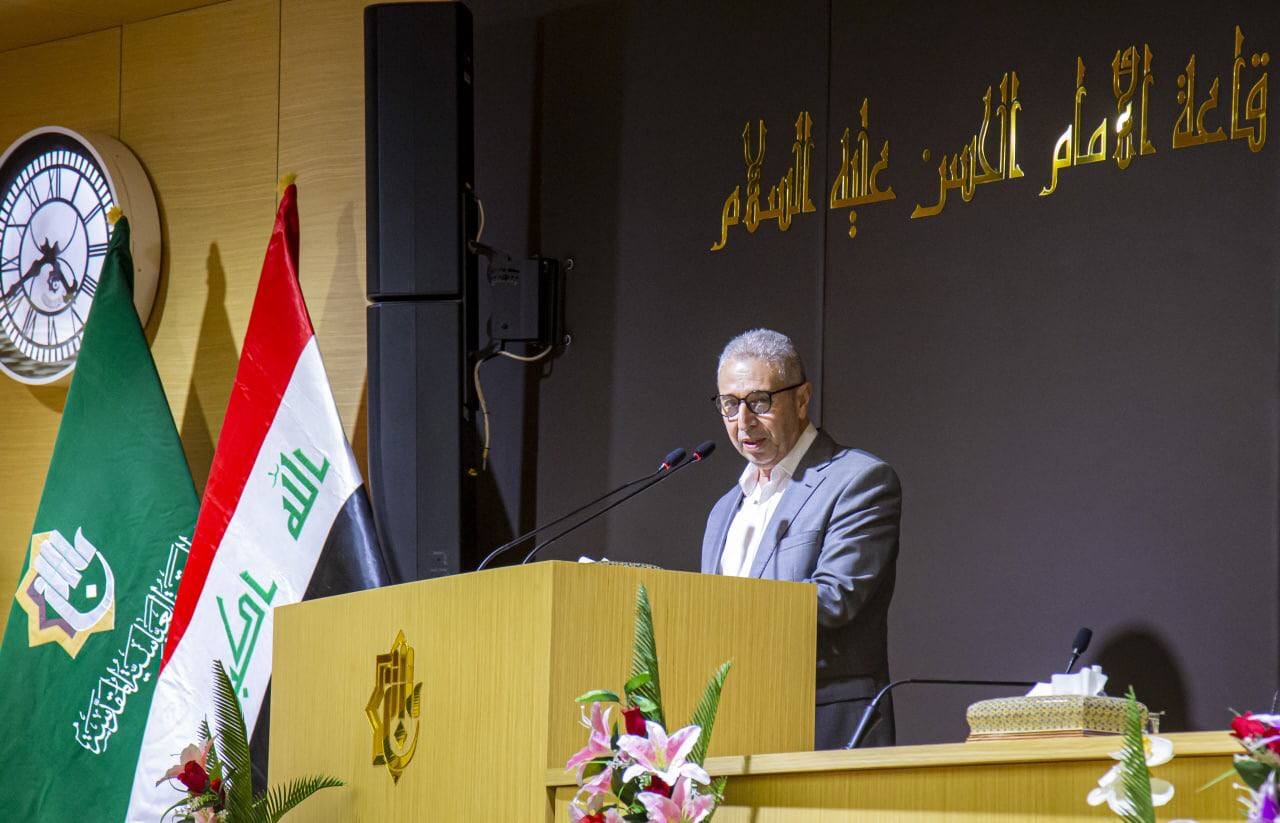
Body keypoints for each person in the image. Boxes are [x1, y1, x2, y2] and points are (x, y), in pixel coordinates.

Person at [701, 328, 902, 749]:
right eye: (730, 405)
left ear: (801, 398)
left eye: (759, 401)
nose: (743, 421)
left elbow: (835, 598)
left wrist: (719, 609)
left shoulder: (858, 480)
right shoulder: (723, 511)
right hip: (734, 726)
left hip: (823, 725)